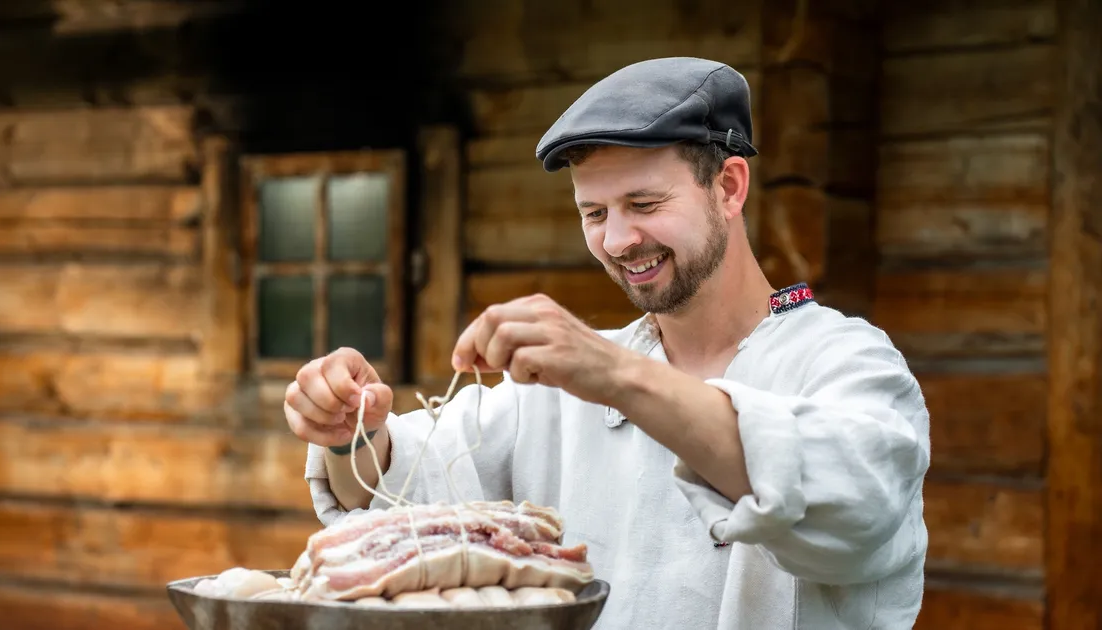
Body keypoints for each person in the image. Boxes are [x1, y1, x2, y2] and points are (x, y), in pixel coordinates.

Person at [286, 57, 930, 629]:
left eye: (644, 203)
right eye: (594, 214)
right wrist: (351, 432)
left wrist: (615, 374)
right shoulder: (562, 386)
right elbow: (394, 491)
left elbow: (856, 508)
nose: (617, 241)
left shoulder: (847, 362)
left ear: (729, 187)